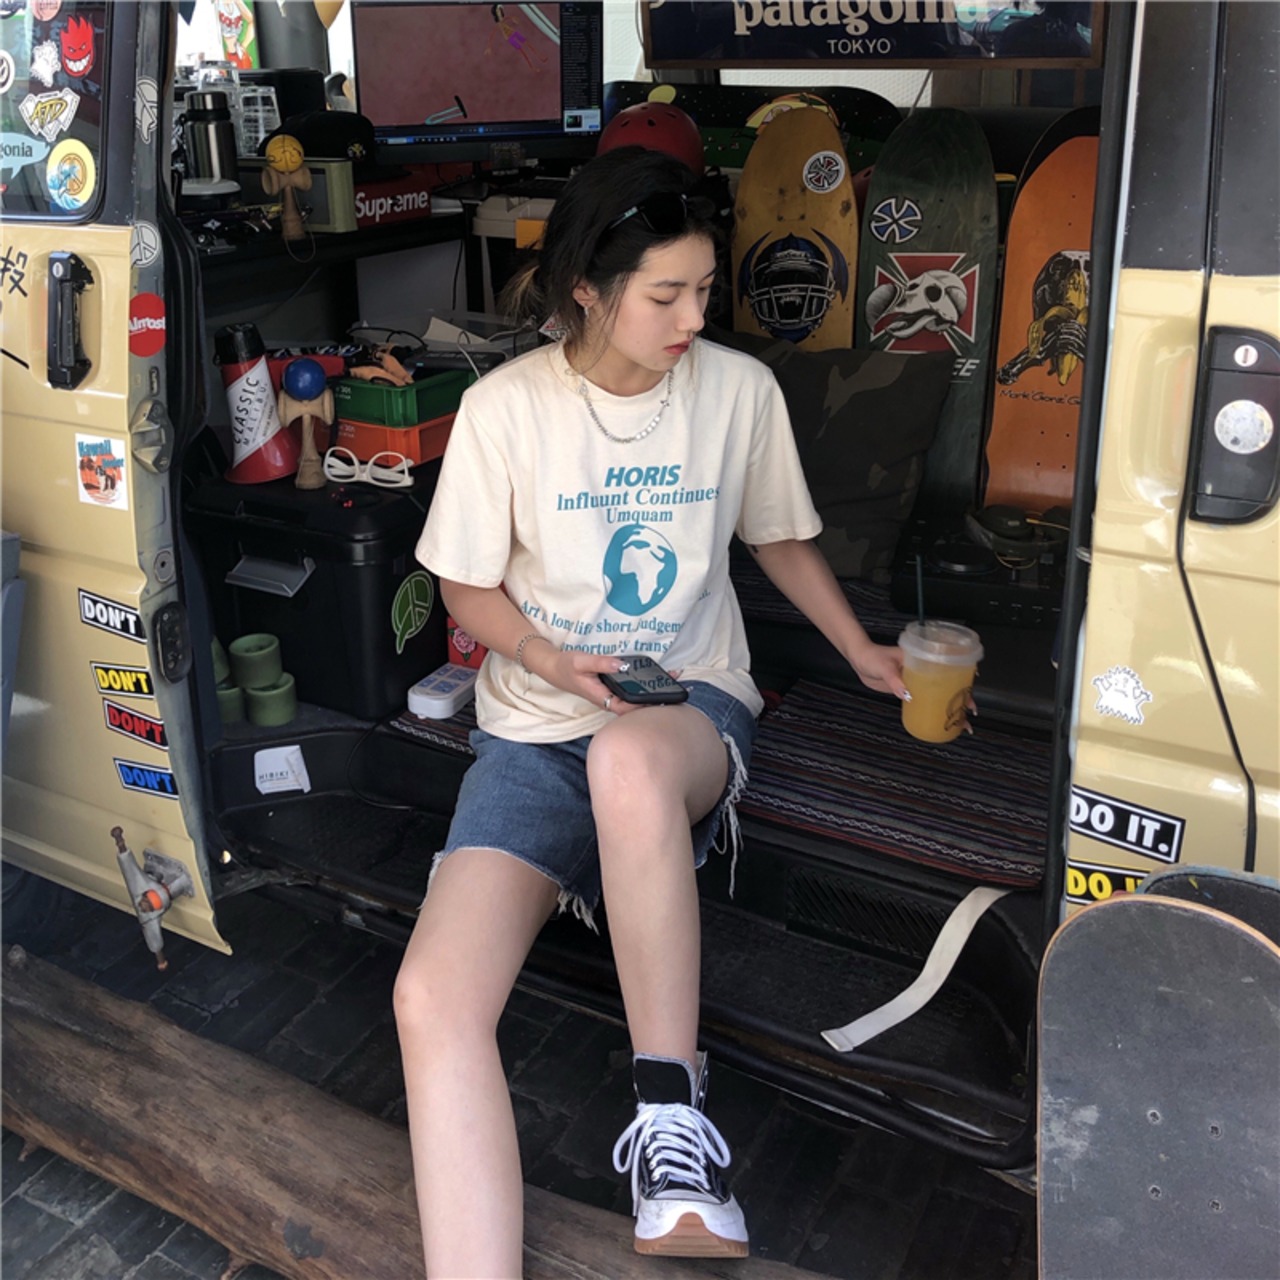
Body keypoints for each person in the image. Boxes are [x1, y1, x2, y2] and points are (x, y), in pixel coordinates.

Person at [394, 145, 908, 1277]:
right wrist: (547, 656)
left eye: (704, 290)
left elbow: (778, 537)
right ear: (587, 288)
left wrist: (859, 651)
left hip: (683, 706)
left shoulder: (737, 391)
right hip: (537, 722)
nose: (693, 318)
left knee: (626, 761)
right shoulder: (503, 409)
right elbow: (465, 585)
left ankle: (673, 1132)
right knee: (431, 996)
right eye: (665, 294)